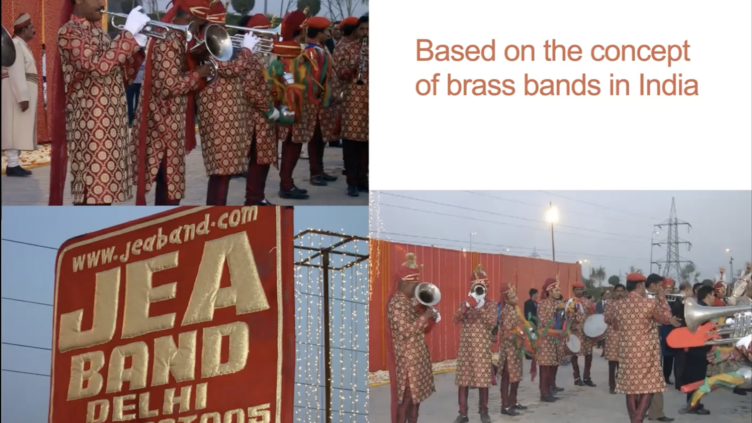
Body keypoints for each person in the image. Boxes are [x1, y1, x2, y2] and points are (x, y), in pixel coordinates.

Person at [49, 1, 151, 205]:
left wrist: (136, 47)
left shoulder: (101, 34)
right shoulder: (69, 32)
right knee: (93, 196)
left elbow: (122, 77)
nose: (100, 4)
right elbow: (97, 67)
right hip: (90, 130)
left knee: (105, 198)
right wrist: (128, 36)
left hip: (113, 129)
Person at [129, 0, 213, 206]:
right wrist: (197, 74)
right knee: (168, 187)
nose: (202, 26)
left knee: (168, 184)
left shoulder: (175, 36)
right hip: (162, 125)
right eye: (202, 22)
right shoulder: (169, 38)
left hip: (168, 123)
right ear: (194, 17)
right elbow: (169, 86)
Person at [197, 2, 261, 205]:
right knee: (221, 170)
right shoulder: (207, 40)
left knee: (223, 171)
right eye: (219, 22)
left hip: (226, 111)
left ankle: (216, 208)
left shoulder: (213, 37)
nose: (222, 27)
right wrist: (247, 50)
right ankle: (216, 211)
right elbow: (232, 69)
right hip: (218, 111)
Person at [277, 15, 338, 199]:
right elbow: (309, 78)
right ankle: (286, 184)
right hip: (300, 103)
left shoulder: (299, 49)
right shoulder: (305, 51)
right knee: (293, 143)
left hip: (294, 102)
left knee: (292, 143)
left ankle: (287, 183)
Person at [613, 273, 680, 423]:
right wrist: (661, 297)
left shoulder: (617, 305)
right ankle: (638, 419)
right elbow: (665, 317)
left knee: (630, 389)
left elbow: (615, 326)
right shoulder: (648, 304)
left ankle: (634, 420)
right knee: (649, 387)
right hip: (646, 352)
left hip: (626, 353)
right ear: (639, 286)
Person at [386, 268, 437, 423]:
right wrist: (424, 318)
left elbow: (423, 329)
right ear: (403, 285)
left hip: (417, 358)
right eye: (414, 286)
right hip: (408, 360)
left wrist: (430, 316)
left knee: (416, 399)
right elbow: (405, 331)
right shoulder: (396, 305)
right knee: (407, 398)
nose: (416, 289)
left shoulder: (411, 303)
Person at [242, 13, 282, 206]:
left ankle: (258, 196)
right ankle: (254, 198)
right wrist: (268, 109)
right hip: (256, 116)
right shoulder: (253, 57)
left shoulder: (261, 55)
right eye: (266, 33)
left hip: (262, 115)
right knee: (259, 160)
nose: (269, 37)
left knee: (263, 160)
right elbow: (248, 89)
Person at [452, 269, 497, 423]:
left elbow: (492, 323)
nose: (479, 290)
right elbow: (455, 319)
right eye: (476, 288)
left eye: (482, 287)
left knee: (483, 382)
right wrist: (466, 304)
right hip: (466, 349)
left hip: (482, 350)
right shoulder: (465, 303)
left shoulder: (490, 305)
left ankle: (483, 412)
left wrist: (480, 307)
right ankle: (463, 414)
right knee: (463, 382)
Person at [335, 15, 369, 196]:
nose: (366, 34)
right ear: (357, 31)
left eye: (369, 30)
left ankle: (363, 178)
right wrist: (353, 66)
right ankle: (352, 181)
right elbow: (338, 73)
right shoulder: (346, 49)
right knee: (352, 143)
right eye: (362, 30)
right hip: (353, 102)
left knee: (368, 145)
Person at [2, 13, 39, 177]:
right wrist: (23, 96)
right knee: (13, 129)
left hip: (17, 90)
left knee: (18, 128)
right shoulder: (16, 45)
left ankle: (14, 163)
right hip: (14, 91)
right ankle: (12, 165)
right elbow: (16, 71)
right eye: (31, 28)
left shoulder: (21, 44)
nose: (34, 31)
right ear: (24, 29)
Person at [676, 285, 714, 415]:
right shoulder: (702, 309)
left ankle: (693, 403)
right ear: (708, 295)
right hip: (698, 350)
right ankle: (694, 405)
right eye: (713, 295)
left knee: (694, 378)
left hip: (695, 350)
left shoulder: (701, 307)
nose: (714, 298)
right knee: (696, 379)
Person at [645, 275, 675, 423]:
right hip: (648, 343)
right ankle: (655, 412)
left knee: (647, 378)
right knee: (654, 378)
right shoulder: (650, 299)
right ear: (654, 285)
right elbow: (666, 315)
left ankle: (647, 411)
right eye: (660, 285)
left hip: (647, 342)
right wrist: (662, 298)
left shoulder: (643, 297)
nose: (662, 288)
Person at [497, 280, 529, 417]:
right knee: (507, 377)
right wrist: (519, 335)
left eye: (516, 296)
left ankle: (513, 401)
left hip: (516, 347)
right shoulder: (505, 312)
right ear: (506, 299)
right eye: (513, 297)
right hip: (509, 348)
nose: (516, 298)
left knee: (516, 376)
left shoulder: (516, 310)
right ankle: (505, 405)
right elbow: (506, 332)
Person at [535, 276, 566, 402]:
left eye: (559, 290)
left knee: (553, 365)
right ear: (550, 291)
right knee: (545, 367)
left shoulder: (558, 304)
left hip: (555, 339)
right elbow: (543, 322)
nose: (559, 292)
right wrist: (556, 327)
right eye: (556, 290)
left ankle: (549, 390)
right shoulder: (542, 304)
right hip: (545, 339)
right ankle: (544, 393)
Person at [567, 281, 596, 387]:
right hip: (575, 332)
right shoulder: (570, 302)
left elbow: (592, 316)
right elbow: (567, 318)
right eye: (577, 290)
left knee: (589, 355)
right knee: (575, 355)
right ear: (573, 291)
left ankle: (587, 377)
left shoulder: (588, 302)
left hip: (587, 333)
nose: (579, 291)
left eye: (580, 290)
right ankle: (577, 377)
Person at [604, 283, 625, 394]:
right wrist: (614, 318)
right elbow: (606, 318)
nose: (620, 293)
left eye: (622, 291)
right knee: (612, 361)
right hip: (613, 334)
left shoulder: (628, 304)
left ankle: (622, 383)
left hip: (625, 335)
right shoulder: (609, 304)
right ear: (614, 292)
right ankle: (612, 384)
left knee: (623, 361)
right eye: (618, 291)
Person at [126, 61, 144, 126]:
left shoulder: (144, 55)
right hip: (131, 83)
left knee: (138, 102)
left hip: (141, 83)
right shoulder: (131, 56)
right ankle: (131, 120)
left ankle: (135, 121)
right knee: (130, 102)